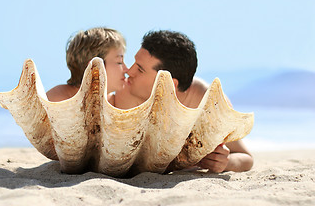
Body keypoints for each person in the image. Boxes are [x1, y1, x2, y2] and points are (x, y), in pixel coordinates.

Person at [110, 30, 253, 173]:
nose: (129, 71)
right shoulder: (128, 90)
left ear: (169, 84)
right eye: (135, 62)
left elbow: (246, 158)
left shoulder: (208, 103)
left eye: (140, 69)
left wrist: (226, 163)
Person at [47, 27, 128, 102]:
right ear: (94, 68)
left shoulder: (115, 101)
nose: (126, 69)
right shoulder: (60, 99)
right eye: (119, 62)